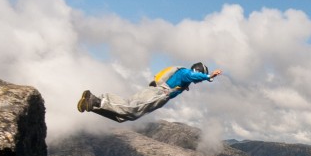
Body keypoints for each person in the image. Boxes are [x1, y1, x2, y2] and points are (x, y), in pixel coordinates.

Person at [77, 62, 223, 122]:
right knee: (132, 109)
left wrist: (206, 80)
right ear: (198, 71)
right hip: (159, 93)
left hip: (155, 91)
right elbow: (194, 76)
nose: (198, 81)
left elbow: (192, 78)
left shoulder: (184, 77)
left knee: (125, 117)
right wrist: (209, 76)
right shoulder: (186, 73)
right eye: (200, 75)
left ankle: (93, 105)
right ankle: (95, 100)